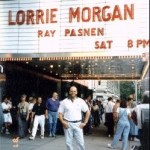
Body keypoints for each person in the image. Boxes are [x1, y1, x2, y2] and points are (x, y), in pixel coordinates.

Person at [58, 86, 90, 150]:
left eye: (74, 91)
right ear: (69, 92)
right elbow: (60, 113)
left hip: (78, 124)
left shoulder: (80, 101)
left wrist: (85, 123)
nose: (73, 92)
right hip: (67, 124)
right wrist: (62, 122)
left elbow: (87, 111)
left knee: (81, 143)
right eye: (71, 91)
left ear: (77, 92)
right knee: (68, 143)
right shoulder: (64, 102)